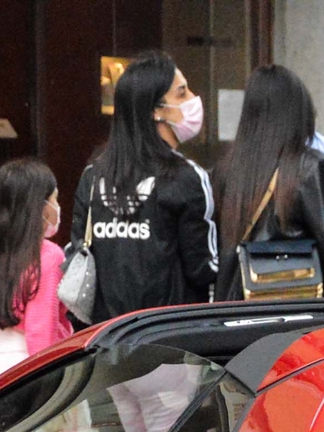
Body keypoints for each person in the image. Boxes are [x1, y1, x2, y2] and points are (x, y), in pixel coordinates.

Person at [69, 52, 218, 320]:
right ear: (156, 110)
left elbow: (78, 252)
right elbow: (204, 268)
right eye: (181, 93)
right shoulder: (187, 178)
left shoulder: (93, 176)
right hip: (169, 340)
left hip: (104, 341)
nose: (193, 99)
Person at [212, 64, 324, 301]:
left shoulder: (225, 169)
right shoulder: (309, 167)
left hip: (233, 307)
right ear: (299, 112)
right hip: (291, 305)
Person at [0, 158, 69, 395]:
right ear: (39, 207)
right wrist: (46, 390)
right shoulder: (50, 257)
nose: (57, 205)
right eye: (54, 199)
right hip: (28, 372)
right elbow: (40, 332)